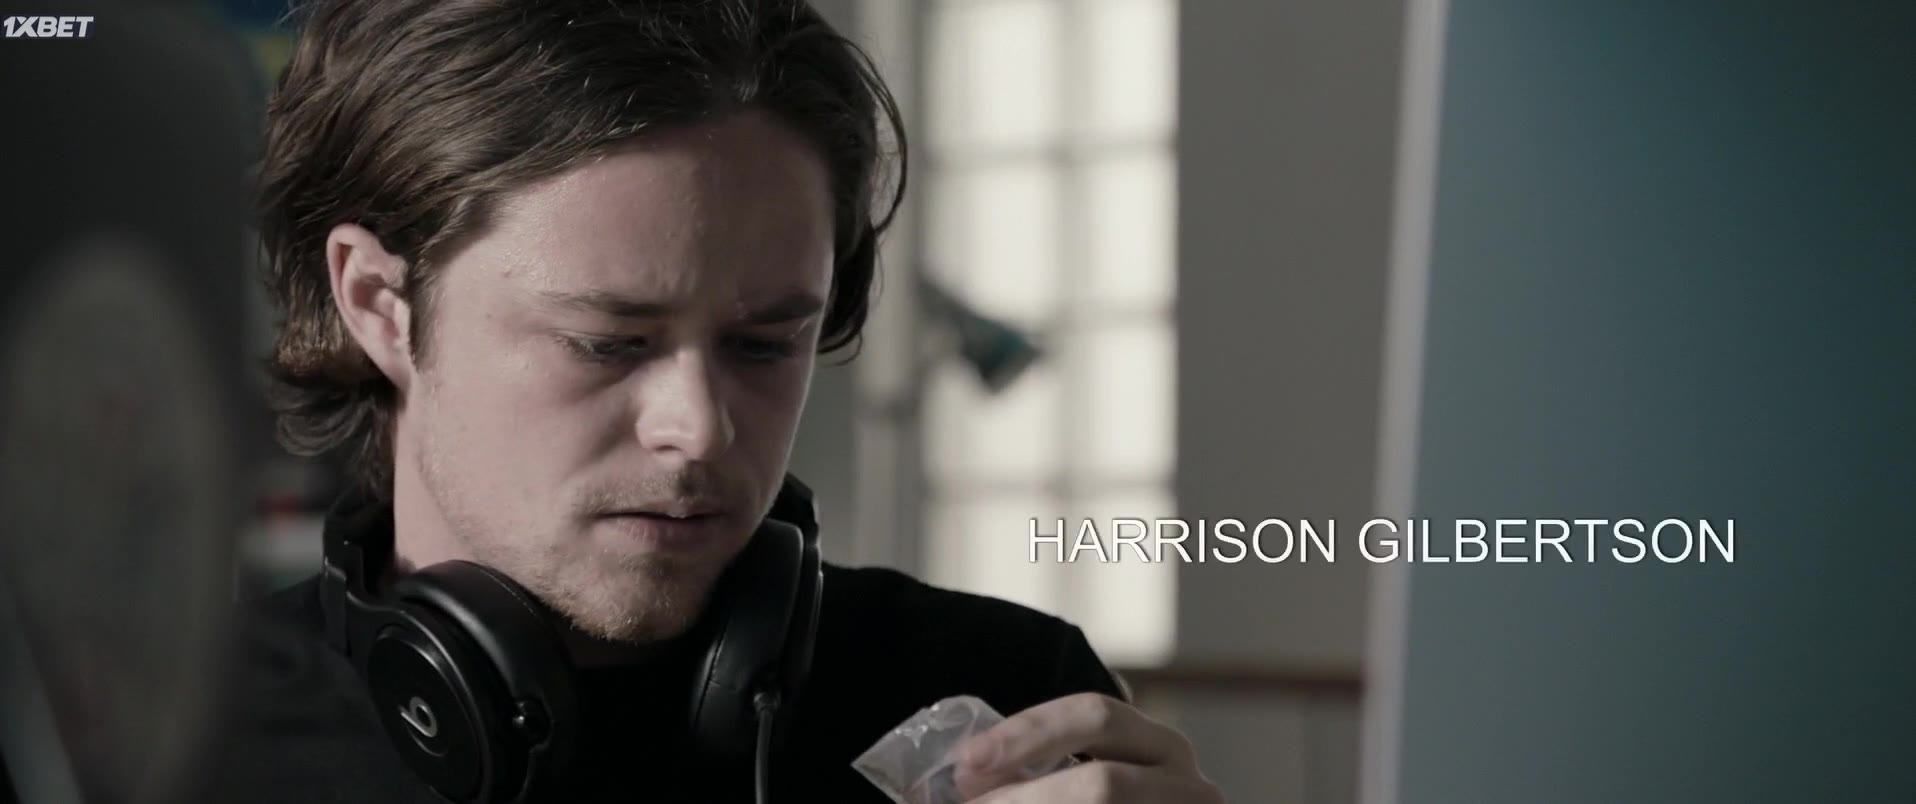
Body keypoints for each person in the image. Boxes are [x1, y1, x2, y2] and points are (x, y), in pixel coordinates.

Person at [207, 1, 1223, 802]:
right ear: (378, 304)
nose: (698, 428)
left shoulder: (1008, 706)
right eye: (609, 343)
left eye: (763, 343)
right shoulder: (173, 747)